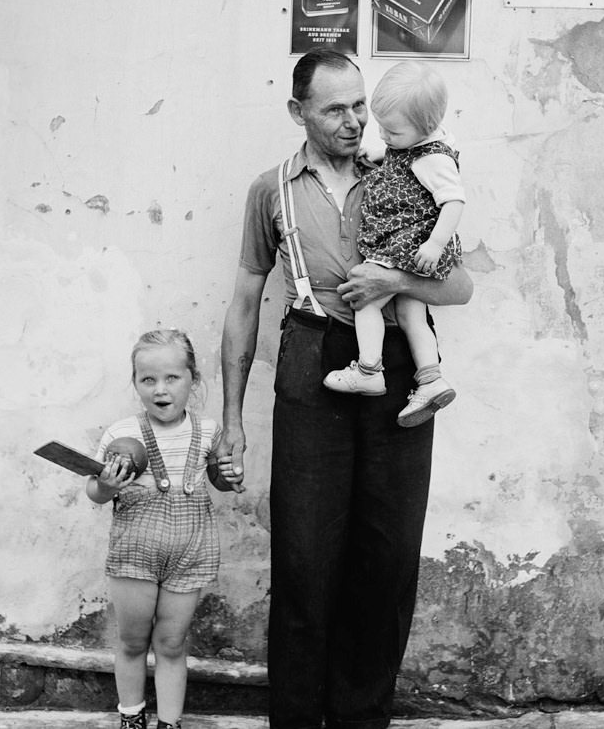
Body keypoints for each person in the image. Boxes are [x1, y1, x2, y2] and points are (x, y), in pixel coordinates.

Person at [220, 49, 472, 729]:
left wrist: (394, 282)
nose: (354, 120)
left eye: (359, 104)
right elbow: (245, 304)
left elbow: (460, 285)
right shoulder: (270, 190)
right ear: (297, 112)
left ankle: (362, 719)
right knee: (304, 560)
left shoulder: (405, 170)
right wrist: (231, 419)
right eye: (334, 109)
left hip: (394, 370)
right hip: (311, 358)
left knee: (386, 559)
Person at [86, 329, 243, 729]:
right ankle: (131, 716)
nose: (160, 389)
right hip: (135, 554)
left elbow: (222, 480)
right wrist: (106, 484)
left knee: (172, 643)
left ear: (193, 378)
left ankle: (169, 722)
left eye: (172, 377)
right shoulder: (122, 435)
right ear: (136, 383)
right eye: (148, 379)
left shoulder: (208, 432)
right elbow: (95, 491)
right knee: (134, 641)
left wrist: (229, 474)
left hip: (189, 552)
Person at [323, 60, 465, 427]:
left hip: (409, 243)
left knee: (366, 296)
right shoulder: (421, 144)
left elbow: (453, 201)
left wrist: (434, 245)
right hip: (412, 245)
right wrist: (385, 156)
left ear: (425, 128)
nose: (384, 135)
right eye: (382, 126)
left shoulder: (435, 158)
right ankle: (431, 379)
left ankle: (369, 369)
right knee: (410, 314)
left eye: (393, 132)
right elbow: (407, 159)